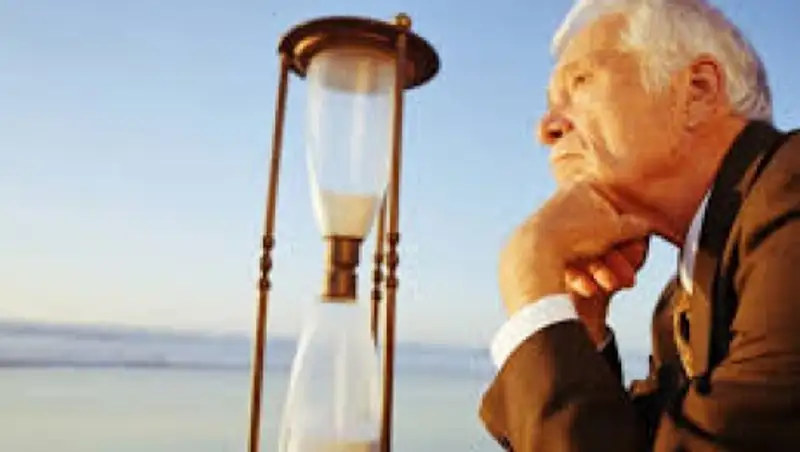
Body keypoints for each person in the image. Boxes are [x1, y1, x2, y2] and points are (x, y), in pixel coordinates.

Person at [479, 0, 800, 450]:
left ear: (698, 92)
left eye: (580, 82)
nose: (546, 128)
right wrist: (580, 323)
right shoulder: (678, 303)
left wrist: (530, 270)